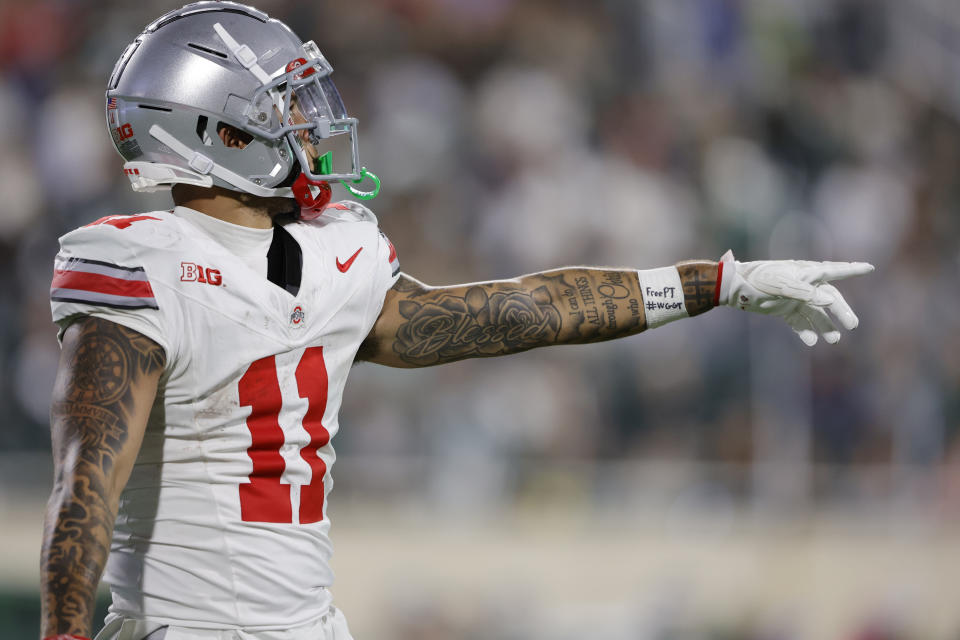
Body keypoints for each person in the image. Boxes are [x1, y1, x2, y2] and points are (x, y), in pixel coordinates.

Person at [39, 2, 873, 639]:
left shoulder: (337, 254)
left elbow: (521, 311)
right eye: (286, 108)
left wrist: (718, 279)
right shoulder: (140, 264)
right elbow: (85, 486)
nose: (311, 123)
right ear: (214, 131)